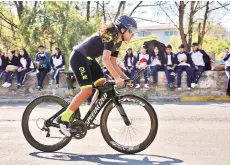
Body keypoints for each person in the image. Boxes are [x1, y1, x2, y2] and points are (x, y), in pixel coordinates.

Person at [58, 15, 137, 136]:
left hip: (89, 60)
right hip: (79, 57)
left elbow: (113, 63)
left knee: (101, 85)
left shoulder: (118, 42)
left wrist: (126, 79)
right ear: (122, 29)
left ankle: (89, 116)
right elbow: (106, 60)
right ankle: (63, 119)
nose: (133, 34)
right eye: (131, 31)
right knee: (87, 91)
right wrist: (116, 78)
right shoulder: (111, 36)